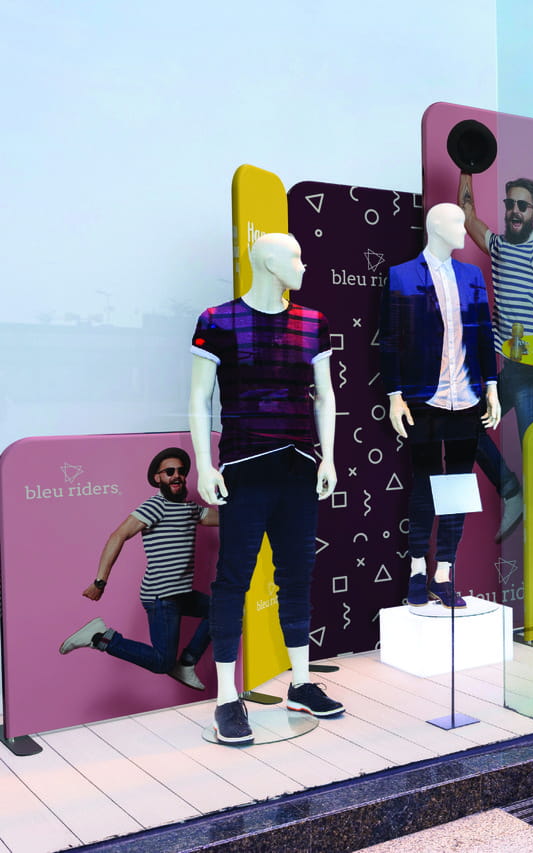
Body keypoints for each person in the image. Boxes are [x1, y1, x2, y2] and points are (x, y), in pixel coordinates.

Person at [190, 232, 344, 745]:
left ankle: (300, 683)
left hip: (299, 465)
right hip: (245, 466)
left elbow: (325, 396)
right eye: (295, 257)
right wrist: (205, 465)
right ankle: (226, 698)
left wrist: (329, 456)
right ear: (271, 263)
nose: (303, 265)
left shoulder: (313, 321)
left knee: (296, 575)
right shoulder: (217, 321)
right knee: (233, 579)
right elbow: (198, 399)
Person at [381, 203, 501, 612]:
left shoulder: (471, 276)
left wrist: (492, 387)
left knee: (459, 488)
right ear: (436, 227)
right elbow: (391, 339)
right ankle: (417, 568)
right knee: (425, 484)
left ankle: (445, 572)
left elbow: (484, 331)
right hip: (425, 397)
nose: (464, 230)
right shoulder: (402, 275)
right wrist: (395, 395)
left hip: (467, 397)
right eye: (457, 223)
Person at [458, 173, 533, 541]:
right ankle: (511, 491)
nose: (515, 211)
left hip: (529, 367)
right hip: (504, 367)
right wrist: (467, 168)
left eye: (523, 205)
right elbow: (467, 216)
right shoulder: (500, 246)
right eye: (511, 204)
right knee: (467, 428)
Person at [59, 447, 218, 690]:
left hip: (181, 594)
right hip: (161, 597)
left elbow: (228, 518)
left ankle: (186, 663)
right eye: (169, 472)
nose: (177, 476)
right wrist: (100, 581)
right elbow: (118, 535)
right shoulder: (155, 506)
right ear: (157, 478)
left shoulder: (190, 509)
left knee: (222, 609)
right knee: (162, 662)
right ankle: (100, 637)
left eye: (181, 471)